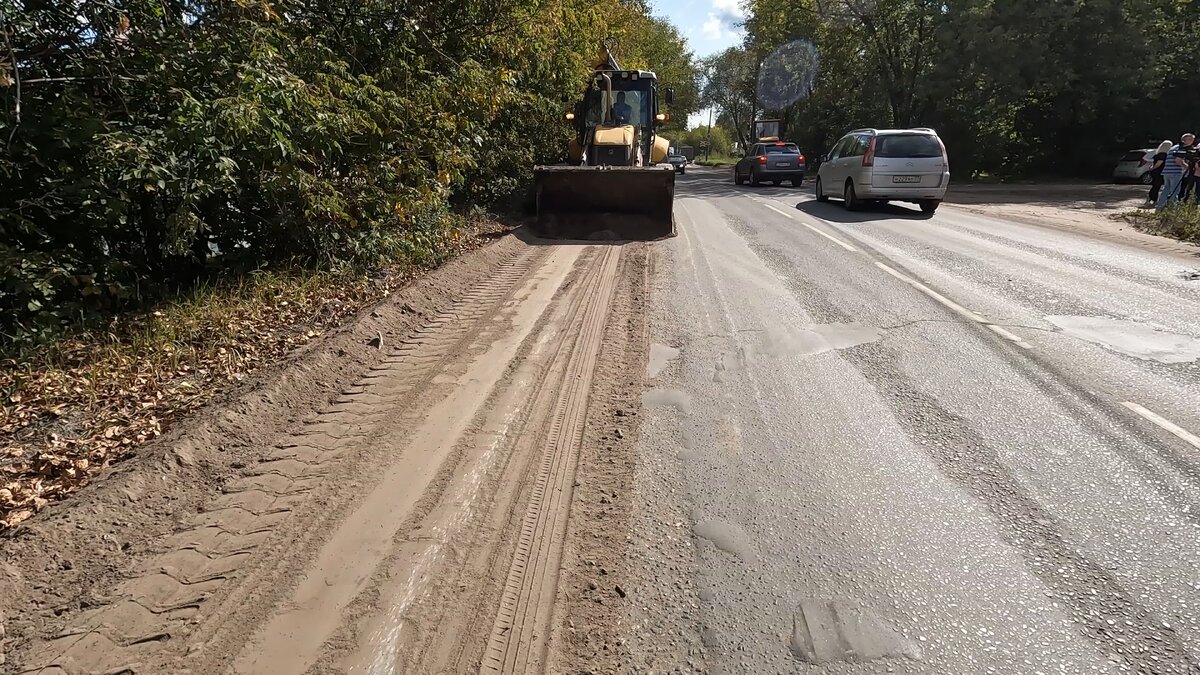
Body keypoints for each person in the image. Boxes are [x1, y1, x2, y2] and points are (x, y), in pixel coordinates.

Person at [1156, 133, 1192, 210]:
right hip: (1175, 172)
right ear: (1184, 140)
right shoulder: (1181, 148)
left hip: (1167, 171)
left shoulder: (1174, 147)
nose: (1192, 141)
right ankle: (1172, 208)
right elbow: (1178, 161)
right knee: (1174, 191)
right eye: (1190, 139)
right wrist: (1187, 167)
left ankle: (1160, 206)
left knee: (1166, 189)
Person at [1147, 140, 1172, 205]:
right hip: (1159, 172)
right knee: (1158, 186)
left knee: (1155, 185)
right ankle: (1153, 198)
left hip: (1156, 172)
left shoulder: (1158, 154)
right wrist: (1153, 168)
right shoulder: (1163, 155)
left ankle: (1151, 198)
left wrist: (1152, 168)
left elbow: (1154, 163)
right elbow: (1159, 163)